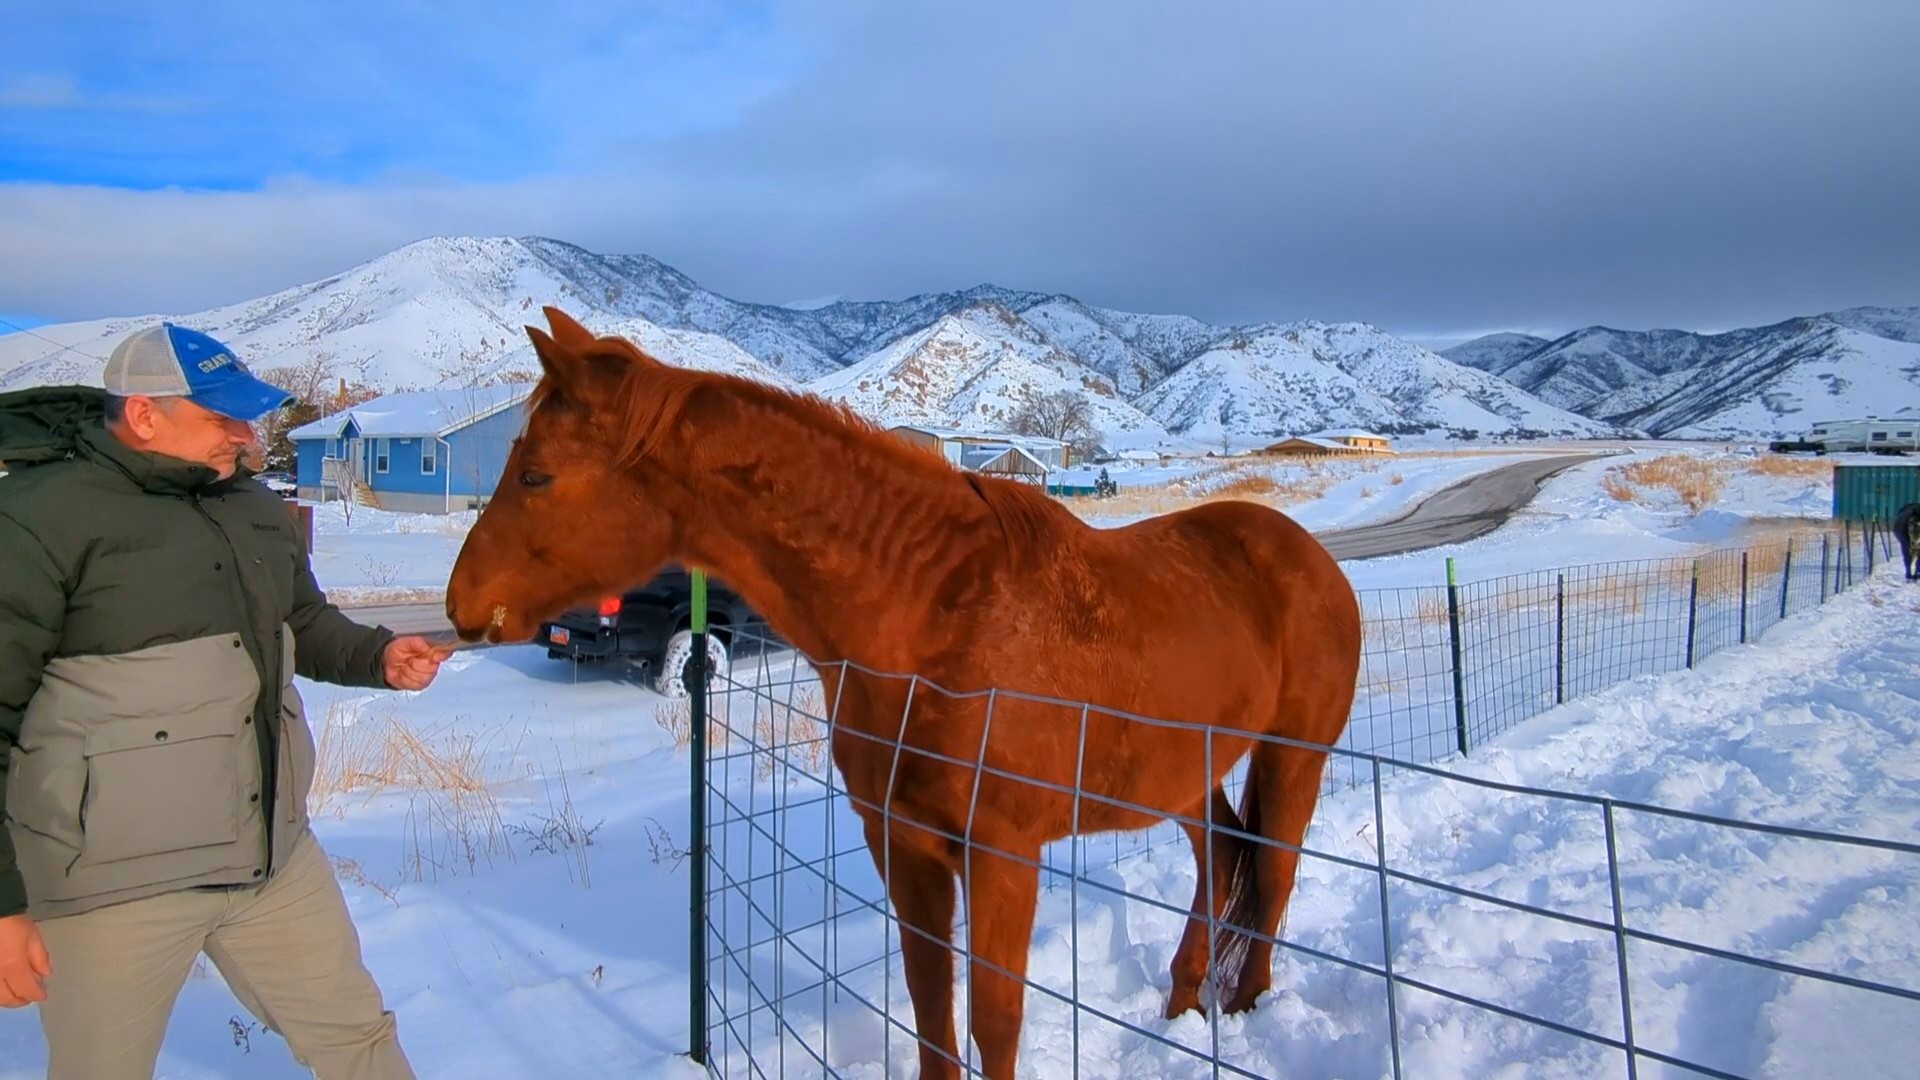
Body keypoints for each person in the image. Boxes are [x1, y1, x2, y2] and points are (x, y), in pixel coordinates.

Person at [0, 323, 450, 1078]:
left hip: (272, 859)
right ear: (144, 415)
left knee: (360, 1043)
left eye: (246, 417)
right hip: (110, 888)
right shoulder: (37, 519)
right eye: (222, 418)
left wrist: (376, 655)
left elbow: (300, 620)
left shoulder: (252, 507)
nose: (245, 437)